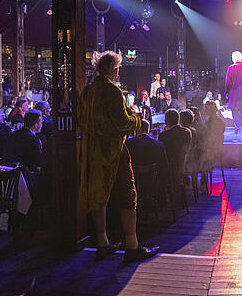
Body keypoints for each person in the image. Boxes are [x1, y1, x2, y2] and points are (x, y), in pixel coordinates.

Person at [78, 51, 157, 262]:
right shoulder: (112, 91)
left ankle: (102, 243)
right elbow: (123, 122)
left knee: (98, 196)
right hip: (113, 150)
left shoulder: (87, 91)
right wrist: (137, 117)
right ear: (115, 70)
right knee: (127, 194)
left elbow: (81, 120)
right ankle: (132, 246)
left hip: (92, 150)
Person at [158, 109, 192, 186]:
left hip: (168, 170)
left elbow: (161, 154)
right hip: (182, 166)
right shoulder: (187, 132)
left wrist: (165, 131)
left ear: (166, 121)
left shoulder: (163, 135)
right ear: (178, 120)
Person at [224, 51, 242, 136]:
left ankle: (236, 128)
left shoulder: (231, 67)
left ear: (234, 58)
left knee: (234, 110)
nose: (231, 59)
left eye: (232, 57)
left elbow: (228, 82)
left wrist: (226, 92)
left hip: (234, 93)